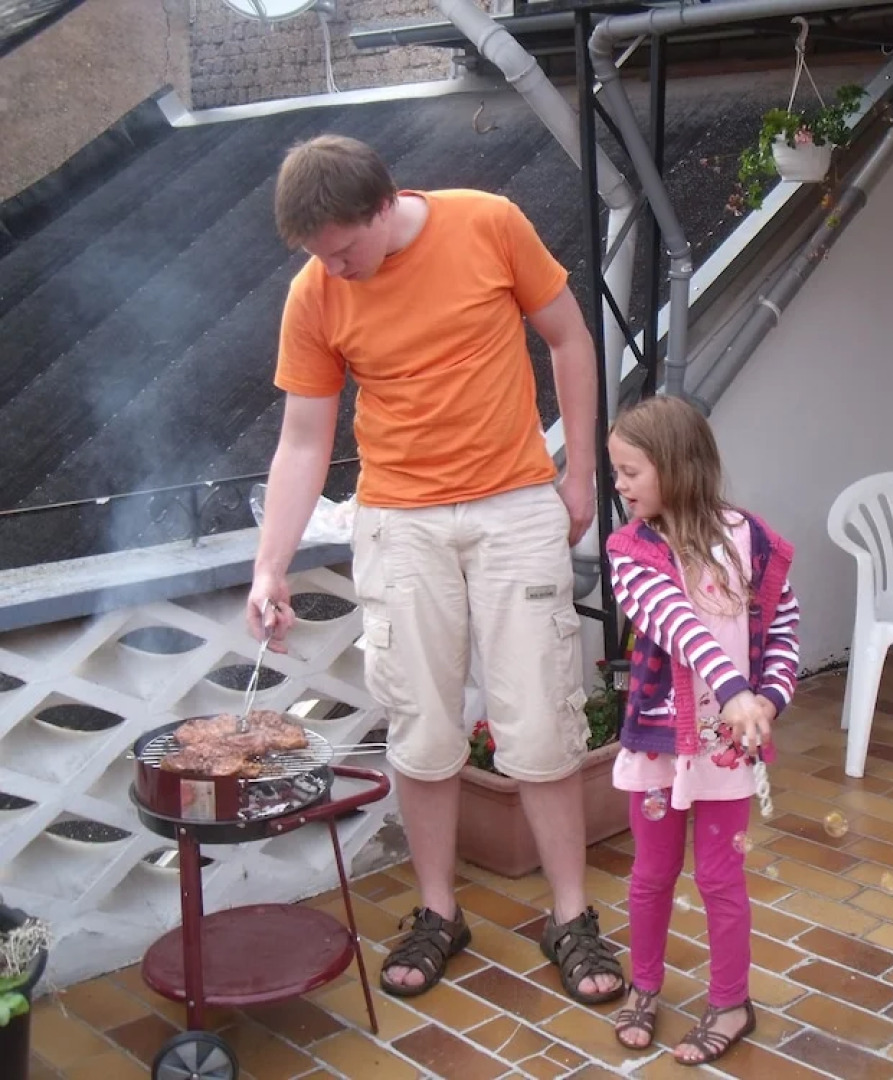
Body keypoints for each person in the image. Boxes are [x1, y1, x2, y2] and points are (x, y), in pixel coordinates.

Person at [246, 134, 624, 1004]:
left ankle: (571, 917)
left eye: (344, 249)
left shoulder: (489, 224)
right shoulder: (315, 293)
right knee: (420, 730)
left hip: (513, 508)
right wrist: (270, 567)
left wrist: (579, 475)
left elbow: (569, 338)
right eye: (318, 255)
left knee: (542, 723)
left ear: (385, 206)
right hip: (398, 524)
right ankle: (438, 911)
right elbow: (303, 440)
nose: (334, 268)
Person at [603, 395, 800, 1065]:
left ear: (677, 465)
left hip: (725, 751)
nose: (619, 485)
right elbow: (677, 625)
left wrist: (768, 697)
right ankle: (645, 985)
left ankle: (731, 1002)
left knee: (721, 879)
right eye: (617, 471)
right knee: (652, 873)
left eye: (631, 471)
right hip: (659, 744)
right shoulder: (632, 551)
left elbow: (783, 626)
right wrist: (734, 689)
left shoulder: (754, 540)